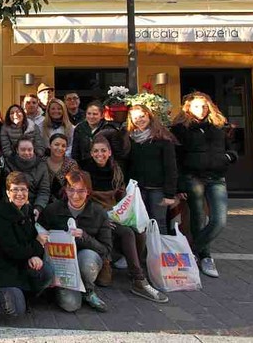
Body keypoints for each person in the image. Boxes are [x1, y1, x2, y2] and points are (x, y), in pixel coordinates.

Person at [83, 135, 169, 303]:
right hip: (95, 216)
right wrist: (103, 218)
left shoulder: (116, 169)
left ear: (109, 152)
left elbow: (122, 196)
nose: (99, 154)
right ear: (91, 153)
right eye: (95, 151)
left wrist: (127, 211)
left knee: (139, 230)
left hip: (116, 213)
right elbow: (82, 200)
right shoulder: (85, 171)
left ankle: (132, 268)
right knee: (127, 233)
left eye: (103, 150)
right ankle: (138, 279)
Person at [170, 92, 237, 278]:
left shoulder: (218, 126)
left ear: (209, 108)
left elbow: (231, 147)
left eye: (204, 106)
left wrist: (229, 157)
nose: (201, 109)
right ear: (188, 108)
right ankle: (205, 256)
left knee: (219, 220)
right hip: (193, 177)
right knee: (198, 218)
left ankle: (191, 251)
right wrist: (179, 185)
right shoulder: (180, 129)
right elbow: (177, 159)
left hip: (217, 178)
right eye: (197, 106)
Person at [0, 172, 54, 319]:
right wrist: (37, 244)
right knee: (14, 311)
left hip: (18, 264)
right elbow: (14, 250)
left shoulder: (28, 210)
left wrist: (34, 255)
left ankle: (21, 293)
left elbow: (29, 238)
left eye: (23, 189)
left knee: (46, 272)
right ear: (8, 192)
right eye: (15, 190)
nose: (20, 194)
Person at [40, 169, 112, 313]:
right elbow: (39, 232)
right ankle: (61, 288)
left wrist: (84, 236)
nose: (75, 195)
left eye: (81, 191)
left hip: (84, 260)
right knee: (70, 305)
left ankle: (88, 291)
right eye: (71, 190)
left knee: (88, 260)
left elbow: (106, 250)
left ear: (88, 191)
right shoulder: (52, 210)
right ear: (66, 190)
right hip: (62, 265)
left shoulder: (99, 213)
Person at [127, 104, 179, 234]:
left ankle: (160, 253)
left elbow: (171, 167)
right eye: (135, 117)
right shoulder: (130, 138)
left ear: (149, 116)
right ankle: (145, 253)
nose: (139, 120)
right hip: (139, 189)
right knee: (140, 224)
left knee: (158, 223)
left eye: (142, 116)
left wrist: (170, 194)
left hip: (158, 189)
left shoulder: (163, 138)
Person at [4, 136, 50, 220]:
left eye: (29, 149)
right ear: (17, 150)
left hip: (35, 204)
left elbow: (44, 190)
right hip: (14, 203)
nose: (26, 152)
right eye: (23, 149)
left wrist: (38, 208)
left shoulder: (41, 165)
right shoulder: (9, 163)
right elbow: (6, 189)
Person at [44, 133, 79, 200]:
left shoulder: (71, 164)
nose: (60, 148)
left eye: (63, 146)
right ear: (49, 145)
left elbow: (73, 186)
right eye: (56, 144)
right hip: (43, 199)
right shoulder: (42, 162)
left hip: (65, 200)